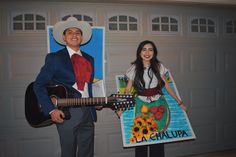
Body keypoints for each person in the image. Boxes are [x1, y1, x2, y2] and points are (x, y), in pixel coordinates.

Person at [33, 17, 98, 157]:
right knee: (68, 152)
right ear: (64, 37)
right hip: (67, 112)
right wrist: (51, 110)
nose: (74, 35)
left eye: (78, 32)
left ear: (82, 37)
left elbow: (88, 86)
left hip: (87, 110)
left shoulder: (89, 59)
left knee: (88, 152)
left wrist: (95, 102)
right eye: (70, 32)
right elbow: (39, 85)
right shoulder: (54, 58)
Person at [116, 40, 187, 157]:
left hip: (159, 103)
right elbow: (128, 90)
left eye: (150, 49)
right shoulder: (133, 69)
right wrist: (122, 107)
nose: (147, 52)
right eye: (144, 49)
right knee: (141, 137)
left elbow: (167, 86)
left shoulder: (159, 67)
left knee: (158, 139)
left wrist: (180, 102)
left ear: (154, 52)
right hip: (141, 104)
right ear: (139, 52)